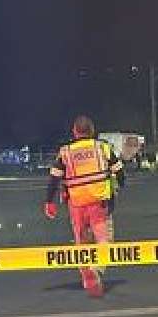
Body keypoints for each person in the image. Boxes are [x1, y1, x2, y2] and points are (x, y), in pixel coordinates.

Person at [44, 115, 126, 297]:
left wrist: (49, 201)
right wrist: (118, 187)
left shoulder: (65, 152)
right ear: (92, 130)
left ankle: (86, 274)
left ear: (74, 131)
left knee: (82, 243)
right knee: (104, 241)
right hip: (100, 204)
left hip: (76, 205)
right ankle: (96, 271)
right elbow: (119, 172)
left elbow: (54, 178)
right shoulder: (102, 147)